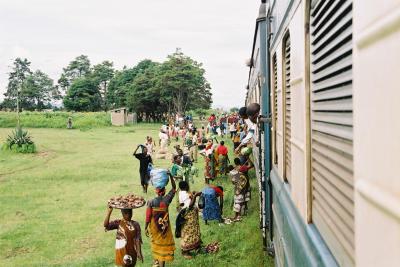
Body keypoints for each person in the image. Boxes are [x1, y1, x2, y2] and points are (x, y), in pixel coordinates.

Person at [145, 173, 176, 267]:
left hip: (154, 228)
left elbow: (148, 216)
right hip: (164, 229)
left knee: (156, 245)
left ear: (156, 191)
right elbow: (174, 188)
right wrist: (170, 176)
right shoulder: (167, 200)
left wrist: (145, 227)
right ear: (164, 190)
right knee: (163, 249)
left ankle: (156, 262)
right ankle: (161, 264)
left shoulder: (151, 202)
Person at [176, 181, 202, 259]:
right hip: (189, 216)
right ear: (186, 186)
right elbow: (190, 205)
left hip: (190, 216)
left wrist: (192, 194)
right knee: (189, 232)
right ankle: (185, 251)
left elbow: (183, 203)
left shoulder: (182, 192)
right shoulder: (184, 194)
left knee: (193, 231)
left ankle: (196, 246)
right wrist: (195, 196)